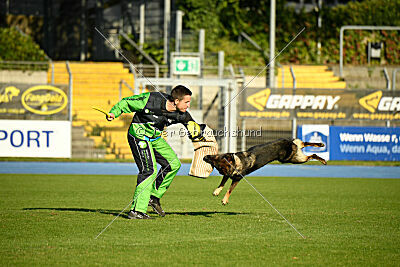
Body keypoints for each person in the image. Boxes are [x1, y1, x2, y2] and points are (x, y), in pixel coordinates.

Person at [107, 85, 205, 219]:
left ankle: (153, 197)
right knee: (149, 170)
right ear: (176, 101)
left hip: (155, 138)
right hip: (138, 136)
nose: (188, 105)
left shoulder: (182, 114)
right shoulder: (152, 99)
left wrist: (198, 134)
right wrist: (114, 112)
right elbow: (127, 102)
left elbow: (192, 126)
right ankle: (137, 210)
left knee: (173, 164)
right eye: (186, 102)